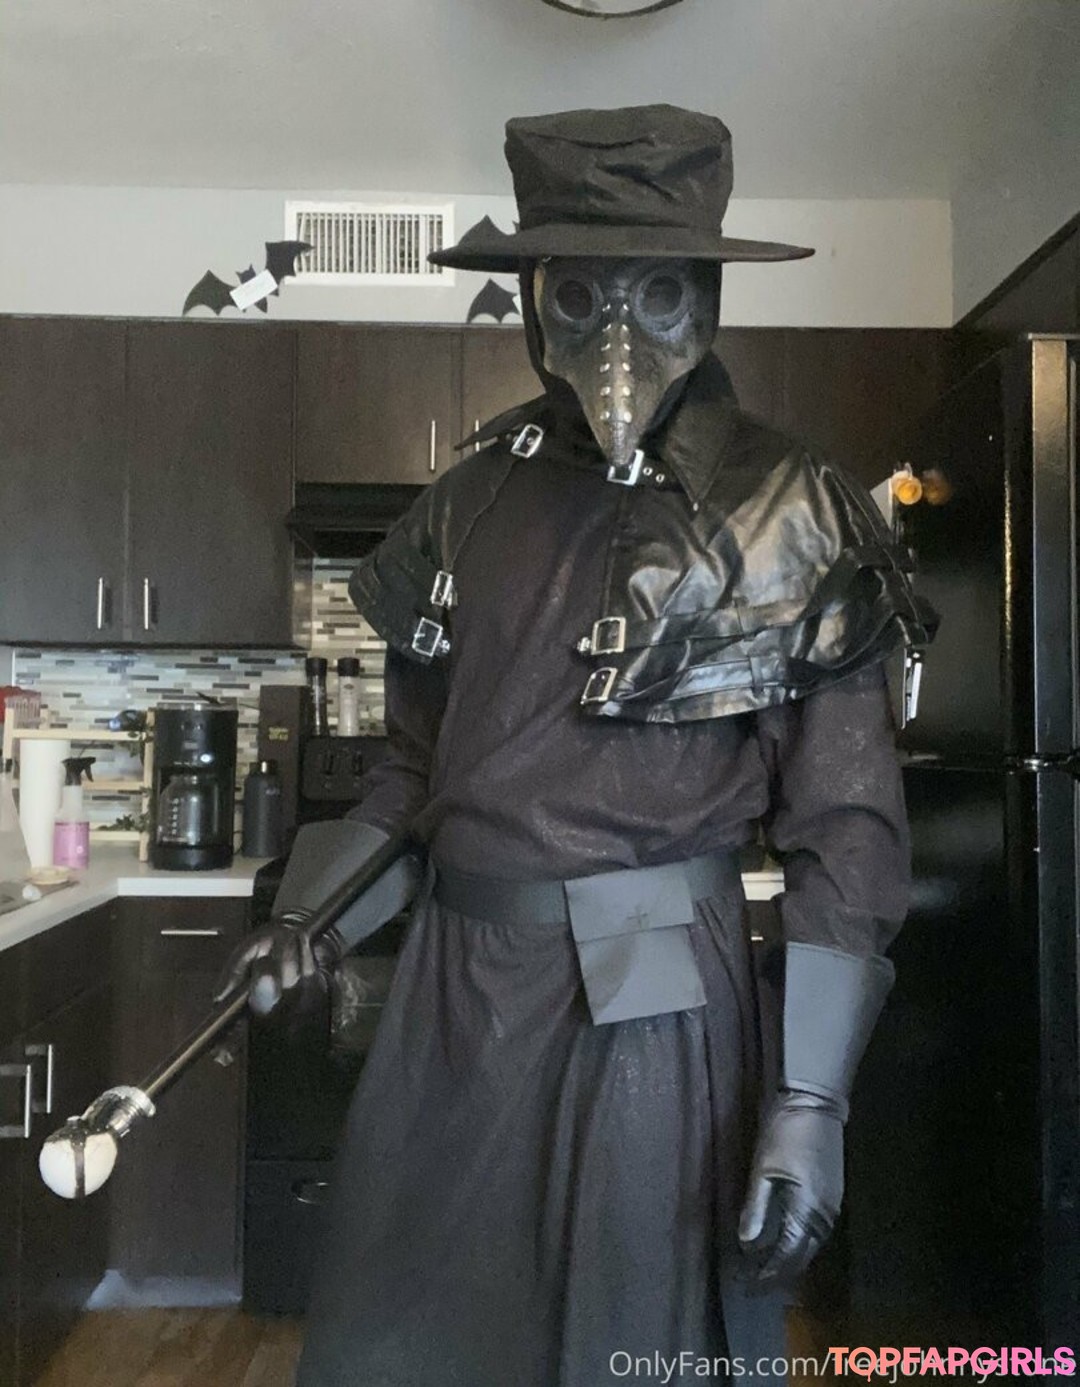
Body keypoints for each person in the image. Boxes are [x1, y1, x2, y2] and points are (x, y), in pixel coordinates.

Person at [218, 104, 934, 1387]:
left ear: (706, 295)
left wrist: (811, 1099)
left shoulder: (793, 508)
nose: (617, 335)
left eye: (656, 293)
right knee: (412, 1344)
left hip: (652, 990)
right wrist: (307, 918)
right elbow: (412, 773)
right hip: (453, 993)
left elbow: (848, 832)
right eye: (580, 292)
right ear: (534, 296)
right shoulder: (467, 501)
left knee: (629, 1340)